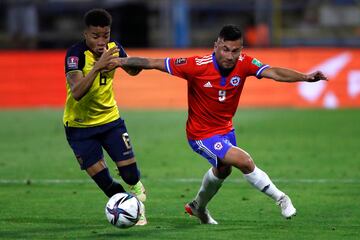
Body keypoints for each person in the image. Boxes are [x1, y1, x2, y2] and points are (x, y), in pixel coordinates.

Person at [114, 24, 328, 224]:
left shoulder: (245, 63)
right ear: (216, 45)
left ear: (241, 49)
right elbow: (153, 63)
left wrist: (306, 77)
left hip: (225, 130)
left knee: (223, 171)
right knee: (244, 161)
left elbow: (274, 72)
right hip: (201, 134)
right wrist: (119, 62)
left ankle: (198, 207)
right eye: (225, 49)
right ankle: (281, 198)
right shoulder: (196, 65)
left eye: (235, 51)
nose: (230, 56)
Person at [63, 8, 147, 225]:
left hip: (111, 121)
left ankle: (136, 190)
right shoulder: (75, 55)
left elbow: (134, 72)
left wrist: (122, 62)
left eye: (106, 35)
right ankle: (134, 209)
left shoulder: (114, 48)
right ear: (85, 34)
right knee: (106, 183)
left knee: (130, 175)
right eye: (95, 36)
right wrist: (98, 67)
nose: (101, 41)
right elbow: (78, 92)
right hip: (80, 128)